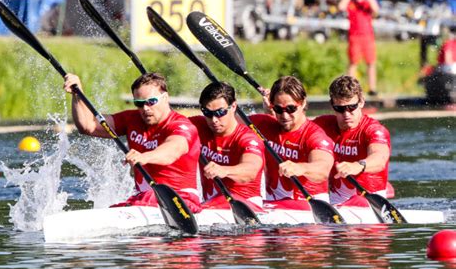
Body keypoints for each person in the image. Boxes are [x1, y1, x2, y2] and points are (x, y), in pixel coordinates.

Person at [63, 73, 202, 212]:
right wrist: (77, 94)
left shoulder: (182, 125)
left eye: (151, 101)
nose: (145, 108)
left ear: (165, 98)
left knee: (146, 198)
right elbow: (88, 125)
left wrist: (144, 157)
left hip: (181, 200)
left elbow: (173, 150)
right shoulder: (132, 119)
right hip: (144, 199)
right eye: (139, 104)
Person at [251, 76, 334, 210]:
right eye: (279, 109)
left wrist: (300, 168)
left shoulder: (314, 135)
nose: (284, 116)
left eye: (290, 109)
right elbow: (227, 122)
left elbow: (322, 169)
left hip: (307, 209)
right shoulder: (264, 124)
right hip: (273, 208)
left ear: (302, 104)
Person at [313, 75, 392, 206]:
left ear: (361, 102)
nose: (346, 114)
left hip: (368, 203)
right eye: (340, 108)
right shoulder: (323, 125)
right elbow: (291, 128)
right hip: (334, 204)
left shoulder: (374, 130)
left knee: (358, 201)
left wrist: (357, 166)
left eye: (352, 107)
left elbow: (379, 159)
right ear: (332, 105)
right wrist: (272, 111)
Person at [189, 82, 265, 210]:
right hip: (212, 206)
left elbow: (251, 170)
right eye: (207, 112)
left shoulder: (247, 138)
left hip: (246, 208)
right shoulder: (198, 126)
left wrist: (224, 170)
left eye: (220, 112)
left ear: (233, 106)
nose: (214, 120)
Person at [338, 0, 379, 96]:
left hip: (368, 36)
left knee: (371, 62)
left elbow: (376, 9)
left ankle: (372, 88)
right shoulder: (351, 4)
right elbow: (341, 7)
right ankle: (351, 89)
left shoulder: (366, 4)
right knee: (353, 63)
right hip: (354, 36)